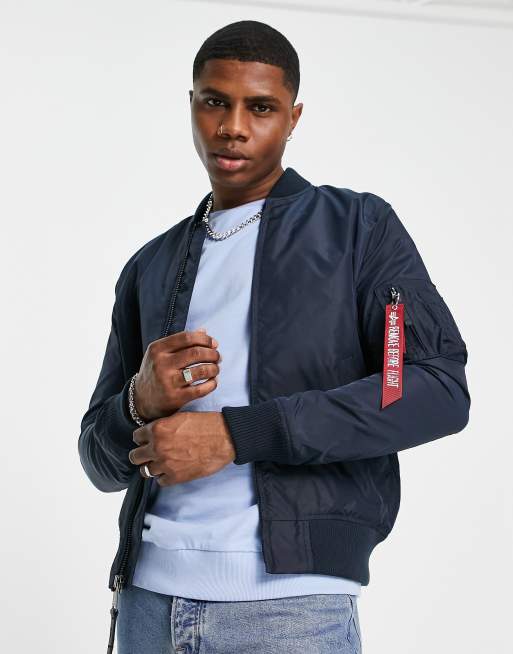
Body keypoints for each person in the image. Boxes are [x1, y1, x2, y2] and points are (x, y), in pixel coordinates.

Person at [78, 19, 470, 654]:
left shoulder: (357, 229)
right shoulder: (150, 266)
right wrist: (137, 403)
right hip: (146, 606)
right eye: (215, 102)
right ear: (192, 105)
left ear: (293, 117)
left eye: (260, 107)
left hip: (291, 612)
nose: (232, 127)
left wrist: (238, 434)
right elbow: (97, 459)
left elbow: (429, 388)